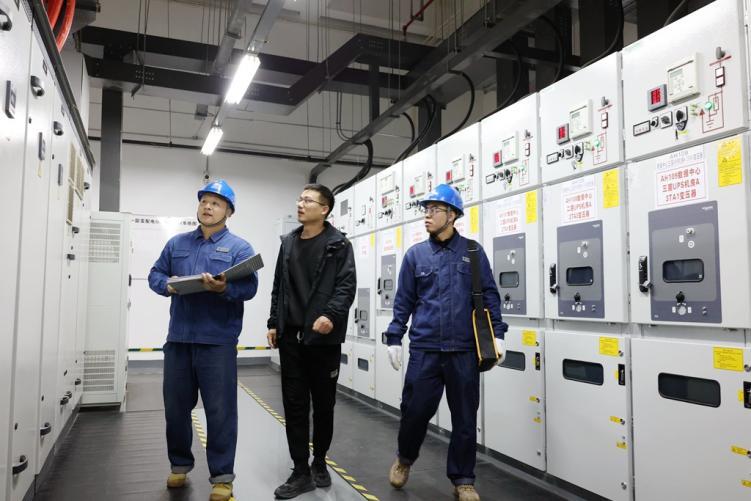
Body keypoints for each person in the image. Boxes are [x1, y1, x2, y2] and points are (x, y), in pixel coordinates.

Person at [382, 184, 507, 501]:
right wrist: (395, 336)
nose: (427, 215)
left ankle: (463, 479)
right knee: (414, 412)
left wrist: (499, 334)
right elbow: (403, 301)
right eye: (425, 210)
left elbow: (489, 296)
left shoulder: (473, 253)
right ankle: (405, 459)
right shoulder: (415, 255)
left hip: (464, 350)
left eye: (434, 210)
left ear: (452, 215)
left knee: (465, 418)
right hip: (425, 349)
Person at [148, 179, 259, 501]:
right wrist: (167, 285)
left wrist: (224, 288)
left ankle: (222, 477)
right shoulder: (177, 244)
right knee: (176, 409)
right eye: (204, 201)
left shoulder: (240, 248)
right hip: (179, 340)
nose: (207, 207)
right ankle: (179, 465)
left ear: (228, 211)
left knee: (220, 412)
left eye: (216, 203)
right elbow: (155, 274)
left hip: (217, 342)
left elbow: (249, 289)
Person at [266, 184, 356, 499]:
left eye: (307, 200)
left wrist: (330, 315)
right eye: (300, 198)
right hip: (291, 338)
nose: (300, 204)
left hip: (323, 339)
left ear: (325, 209)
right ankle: (300, 470)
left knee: (324, 405)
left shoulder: (338, 244)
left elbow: (346, 286)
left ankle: (319, 462)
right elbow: (279, 285)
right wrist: (273, 321)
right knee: (294, 406)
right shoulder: (288, 243)